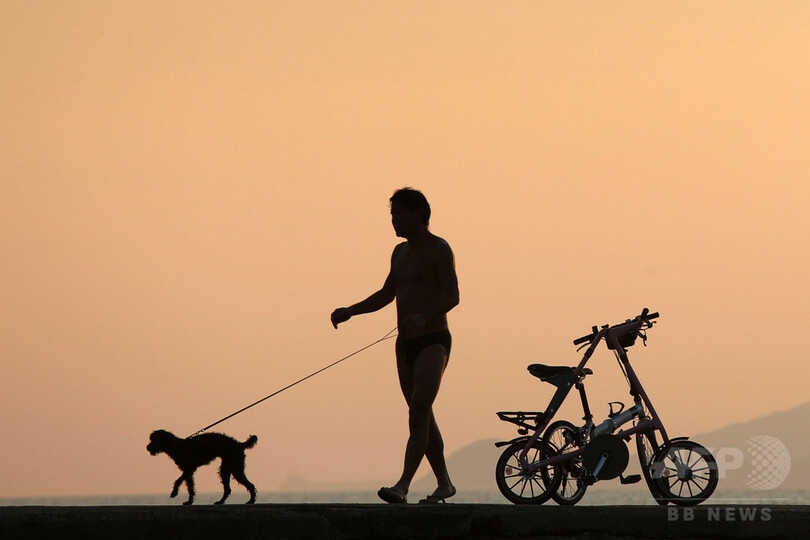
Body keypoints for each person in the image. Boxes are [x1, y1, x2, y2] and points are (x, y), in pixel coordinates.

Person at [331, 188, 460, 504]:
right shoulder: (399, 253)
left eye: (399, 213)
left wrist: (425, 315)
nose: (394, 220)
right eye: (392, 214)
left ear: (418, 213)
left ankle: (402, 485)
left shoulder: (439, 249)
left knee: (418, 411)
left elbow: (453, 296)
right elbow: (386, 295)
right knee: (421, 414)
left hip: (433, 342)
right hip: (405, 346)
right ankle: (444, 484)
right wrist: (351, 310)